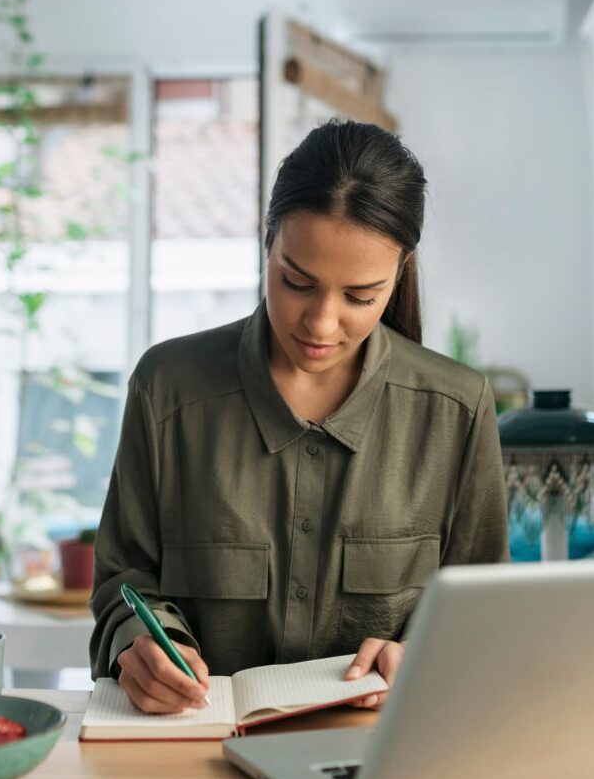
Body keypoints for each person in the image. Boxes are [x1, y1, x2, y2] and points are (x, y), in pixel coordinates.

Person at [89, 118, 509, 715]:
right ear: (267, 241)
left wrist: (425, 654)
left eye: (360, 297)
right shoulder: (169, 388)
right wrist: (144, 646)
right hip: (195, 749)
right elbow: (123, 580)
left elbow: (484, 611)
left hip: (379, 755)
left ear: (400, 271)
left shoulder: (456, 409)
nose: (320, 324)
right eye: (296, 282)